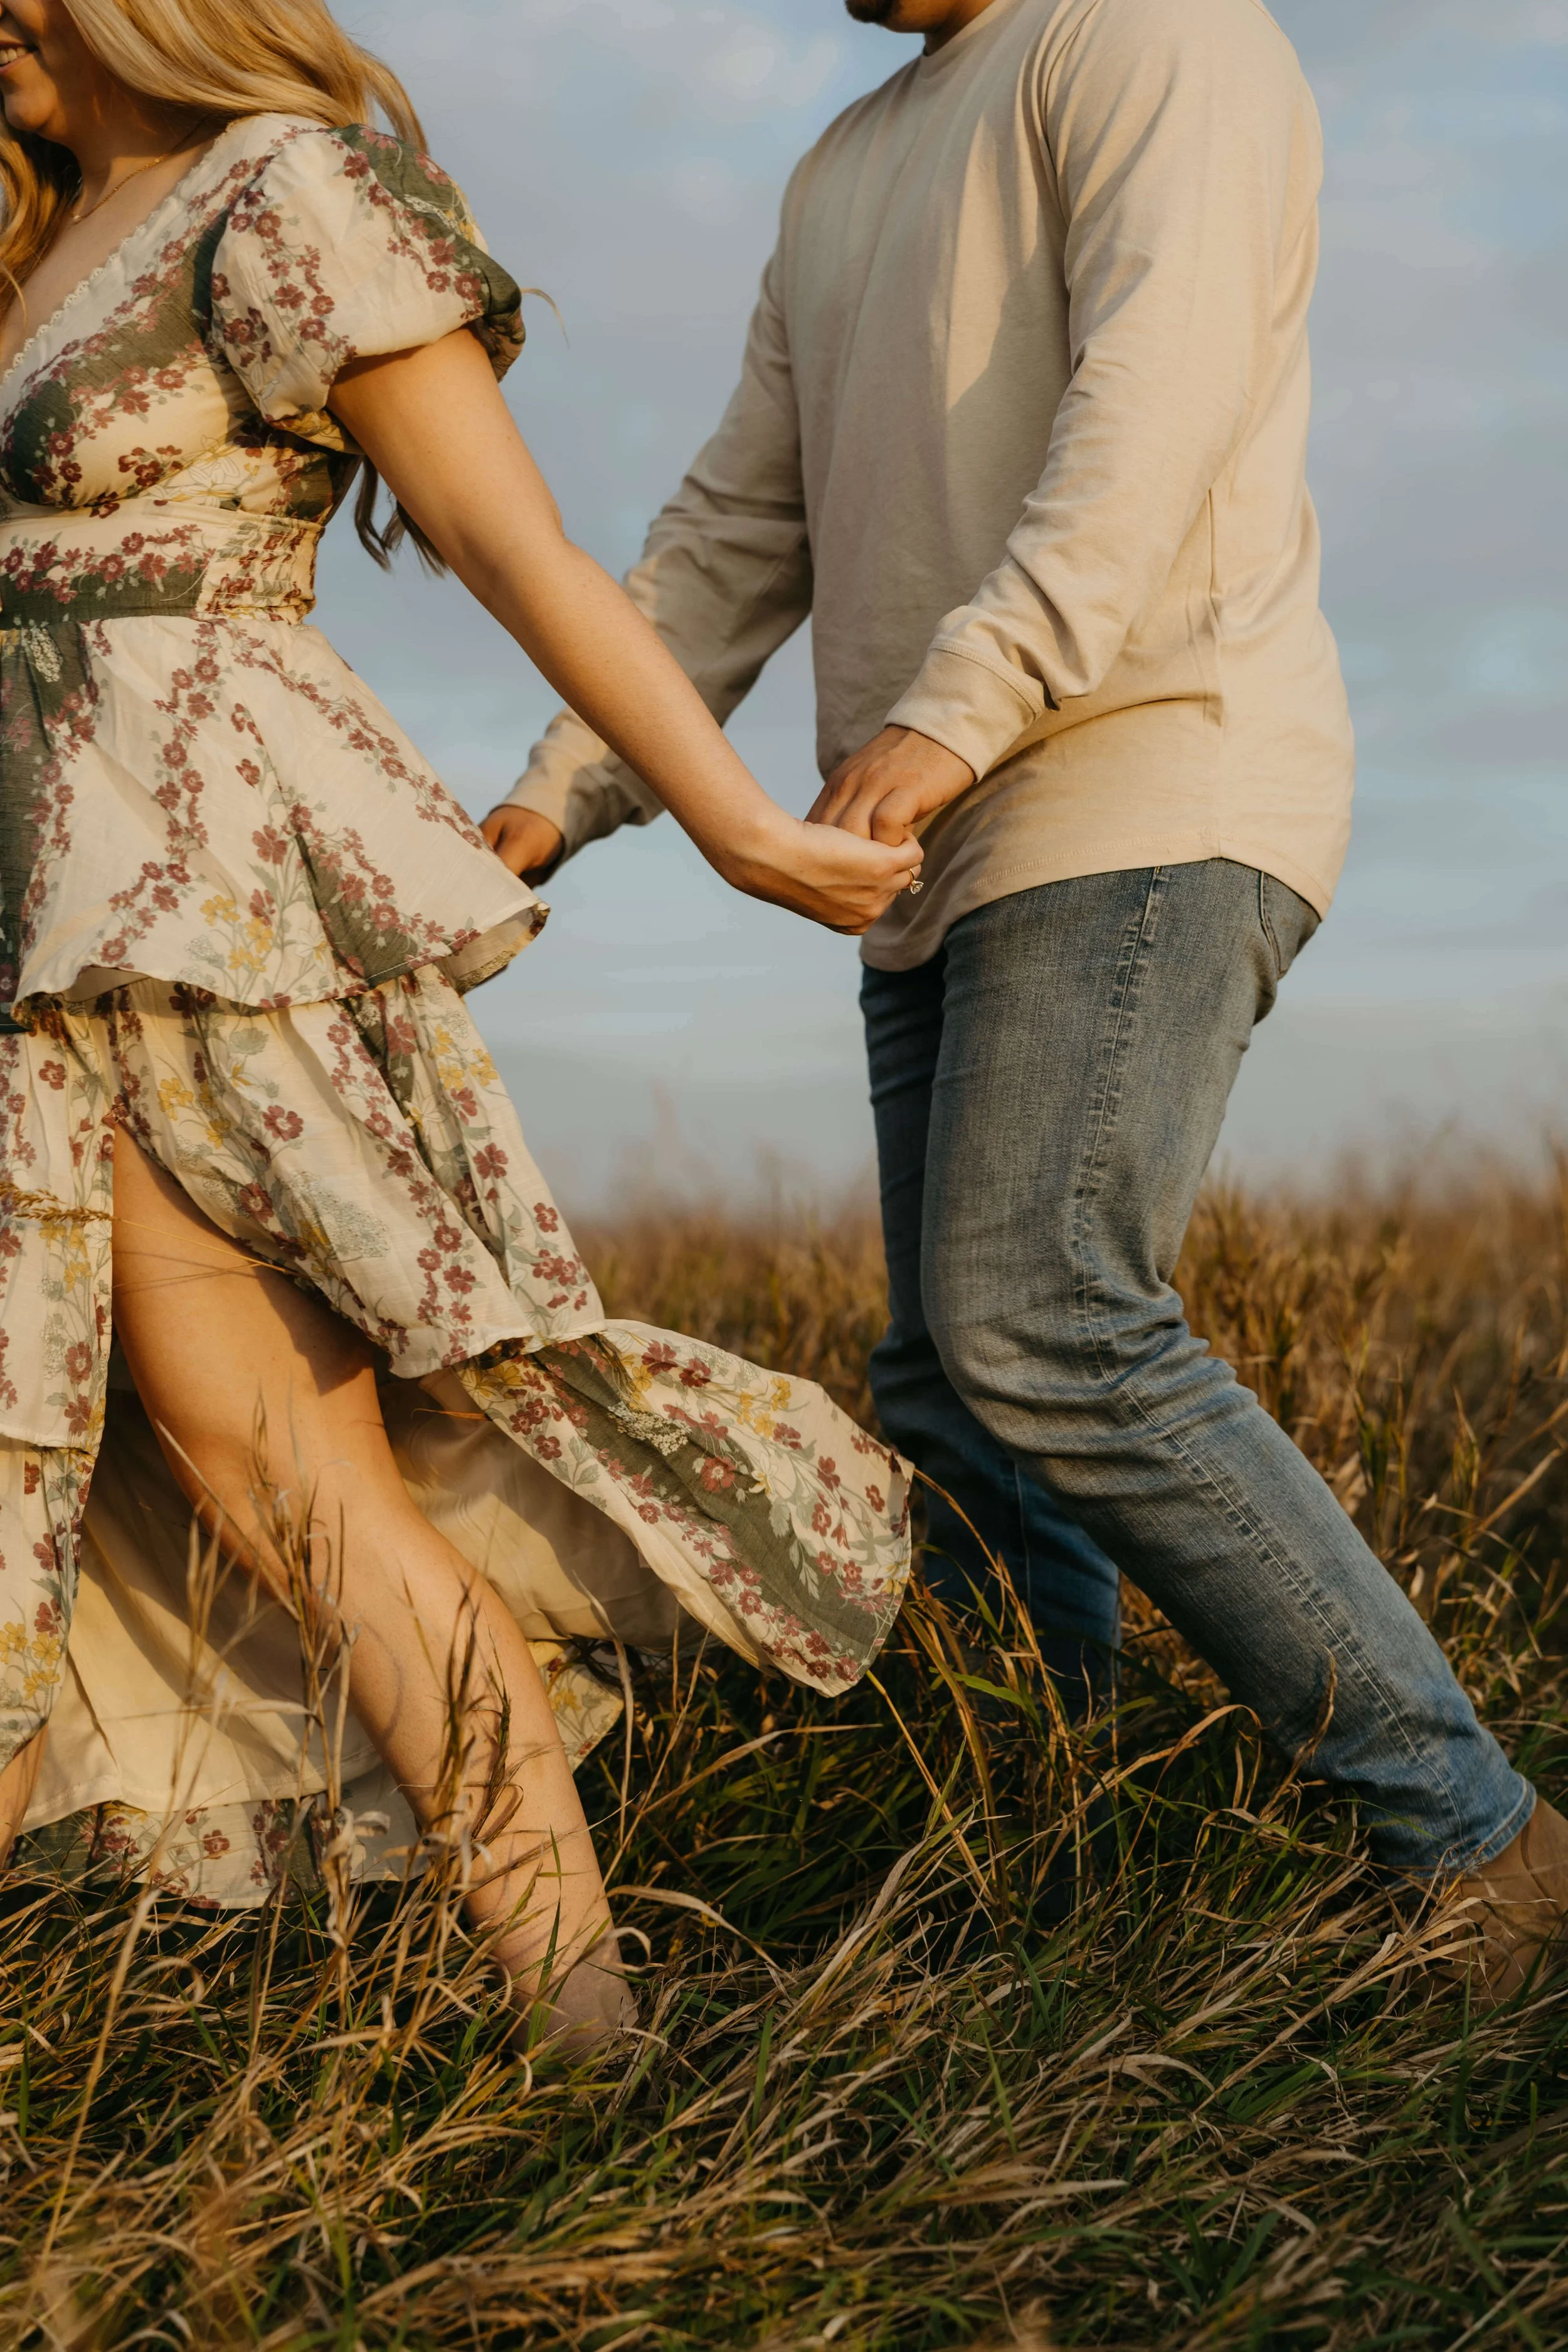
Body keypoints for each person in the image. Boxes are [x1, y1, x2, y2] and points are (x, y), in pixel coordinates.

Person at [494, 0, 1568, 2000]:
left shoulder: (1158, 37)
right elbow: (739, 522)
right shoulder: (839, 165)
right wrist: (550, 795)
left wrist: (957, 703)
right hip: (935, 833)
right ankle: (1044, 1836)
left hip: (1149, 764)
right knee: (954, 1387)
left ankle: (1479, 1846)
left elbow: (1151, 406)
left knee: (1041, 1303)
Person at [0, 0, 923, 2051]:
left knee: (280, 1468)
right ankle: (584, 2025)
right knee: (213, 1465)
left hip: (194, 916)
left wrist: (737, 828)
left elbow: (523, 550)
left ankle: (589, 2027)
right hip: (31, 929)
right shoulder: (53, 223)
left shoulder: (281, 193)